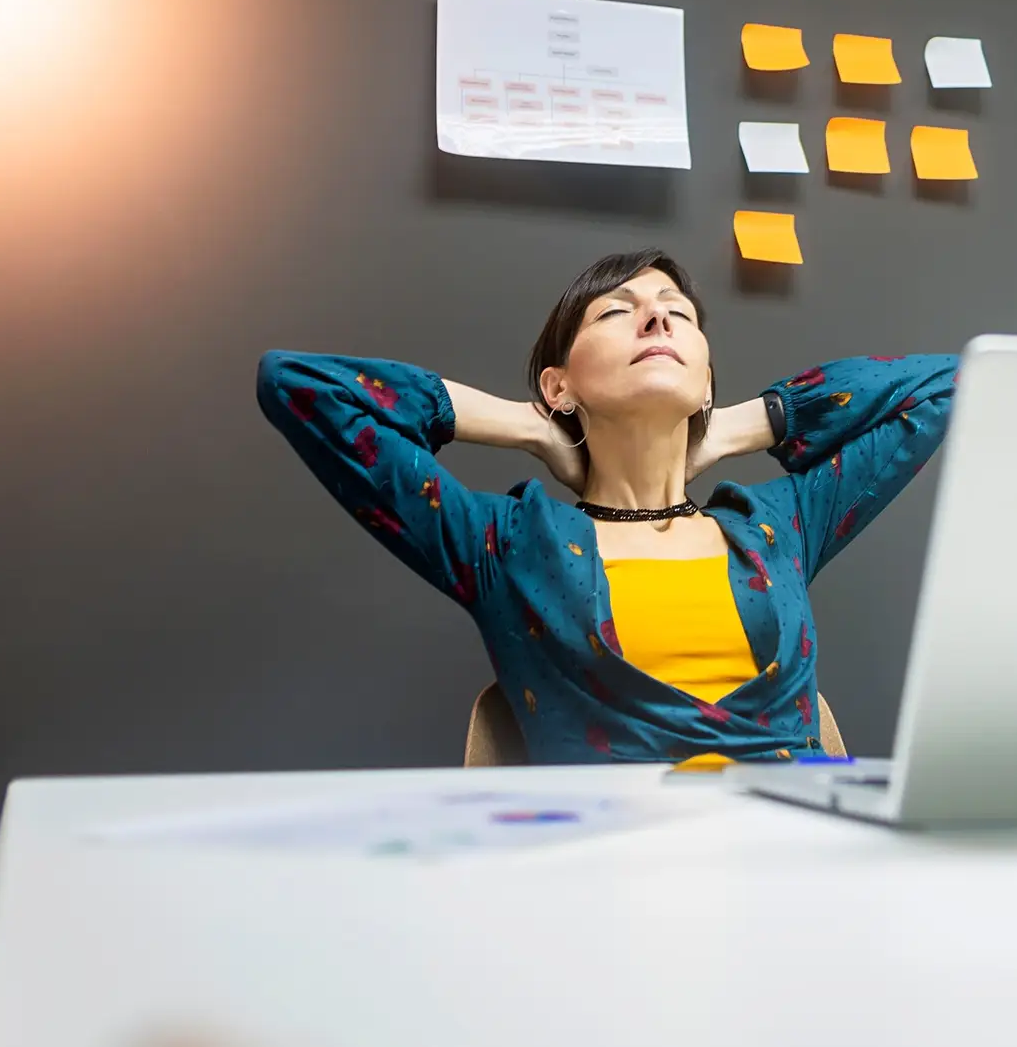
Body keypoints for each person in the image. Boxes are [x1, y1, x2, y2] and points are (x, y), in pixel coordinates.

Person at [256, 249, 956, 764]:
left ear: (706, 378)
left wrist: (742, 425)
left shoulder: (782, 525)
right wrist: (528, 425)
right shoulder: (505, 545)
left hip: (806, 881)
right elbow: (299, 387)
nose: (655, 314)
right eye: (619, 311)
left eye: (676, 314)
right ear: (559, 385)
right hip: (605, 898)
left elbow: (953, 386)